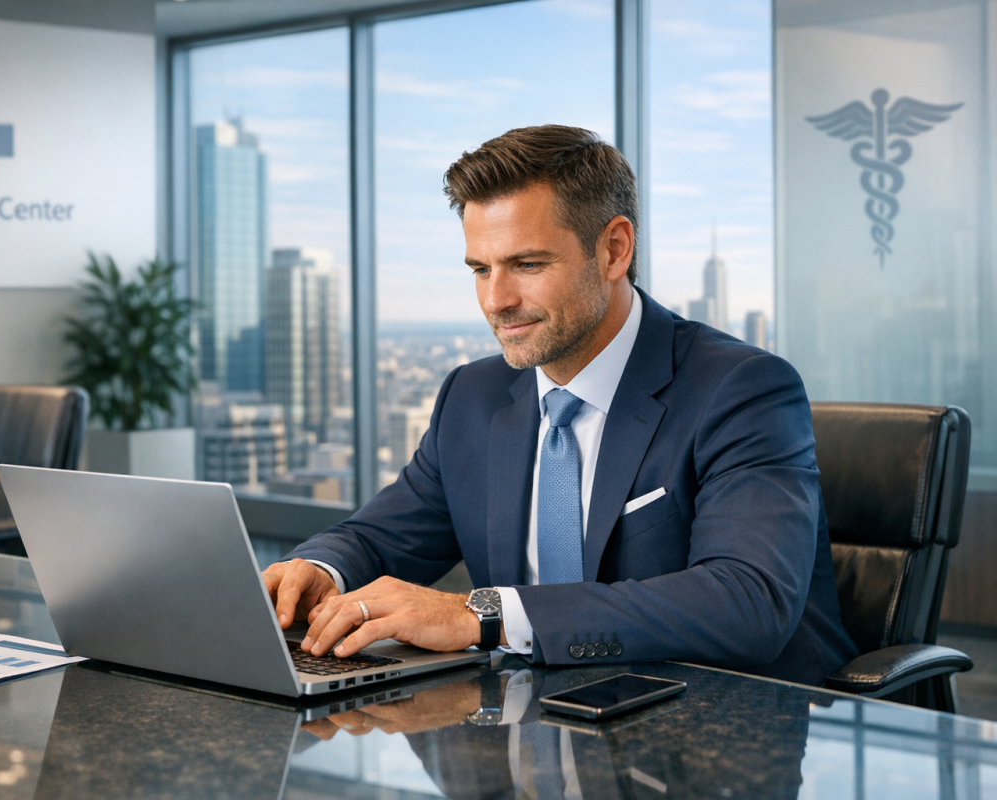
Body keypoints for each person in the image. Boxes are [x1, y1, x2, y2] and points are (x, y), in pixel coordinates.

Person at [263, 124, 857, 686]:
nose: (497, 300)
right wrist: (320, 570)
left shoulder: (742, 389)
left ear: (614, 250)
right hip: (530, 730)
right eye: (480, 269)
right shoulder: (472, 397)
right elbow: (379, 536)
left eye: (527, 264)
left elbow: (748, 601)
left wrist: (484, 614)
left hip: (715, 733)